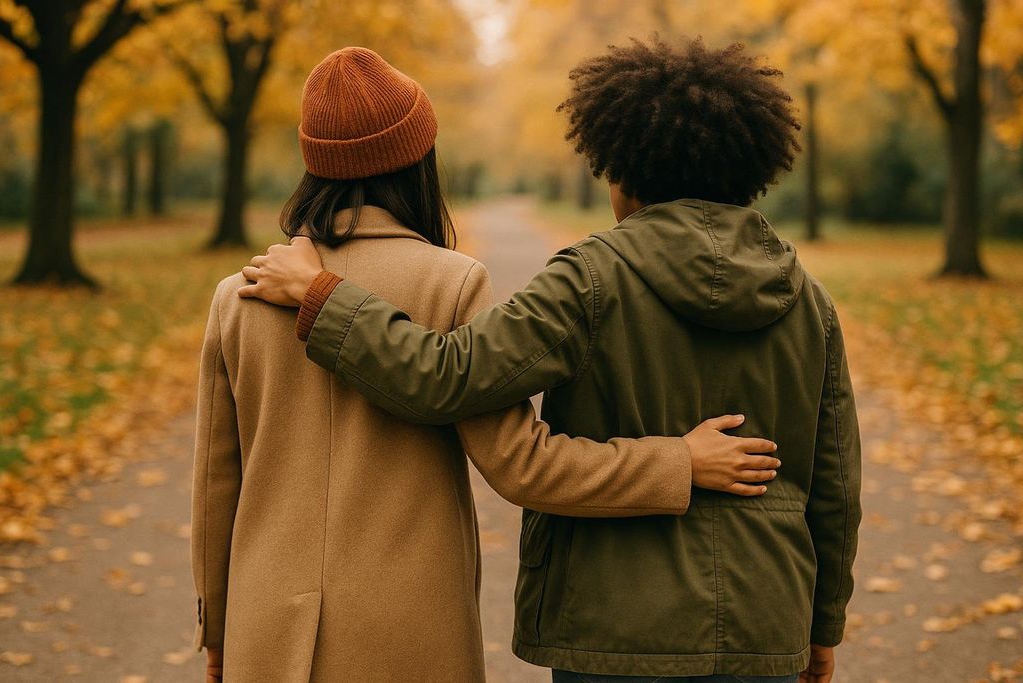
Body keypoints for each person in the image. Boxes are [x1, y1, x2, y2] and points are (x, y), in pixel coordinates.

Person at [242, 38, 863, 683]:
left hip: (614, 626)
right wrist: (822, 627)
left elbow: (449, 377)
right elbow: (836, 484)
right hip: (766, 621)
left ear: (622, 168)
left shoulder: (590, 281)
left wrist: (323, 299)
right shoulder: (807, 300)